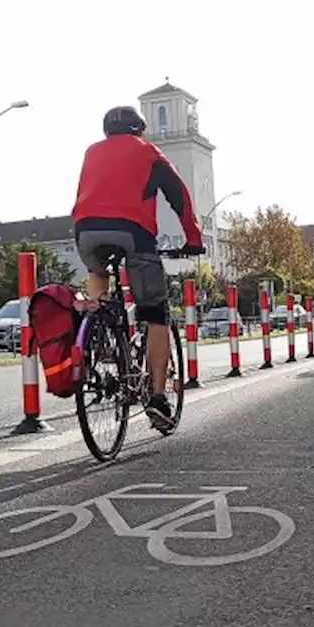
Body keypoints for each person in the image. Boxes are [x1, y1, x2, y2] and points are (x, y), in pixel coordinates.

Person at [72, 105, 205, 431]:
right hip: (134, 233)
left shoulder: (92, 152)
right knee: (155, 314)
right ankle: (158, 398)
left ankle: (100, 331)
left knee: (99, 272)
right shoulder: (148, 152)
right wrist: (193, 238)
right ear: (139, 129)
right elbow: (179, 195)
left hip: (85, 232)